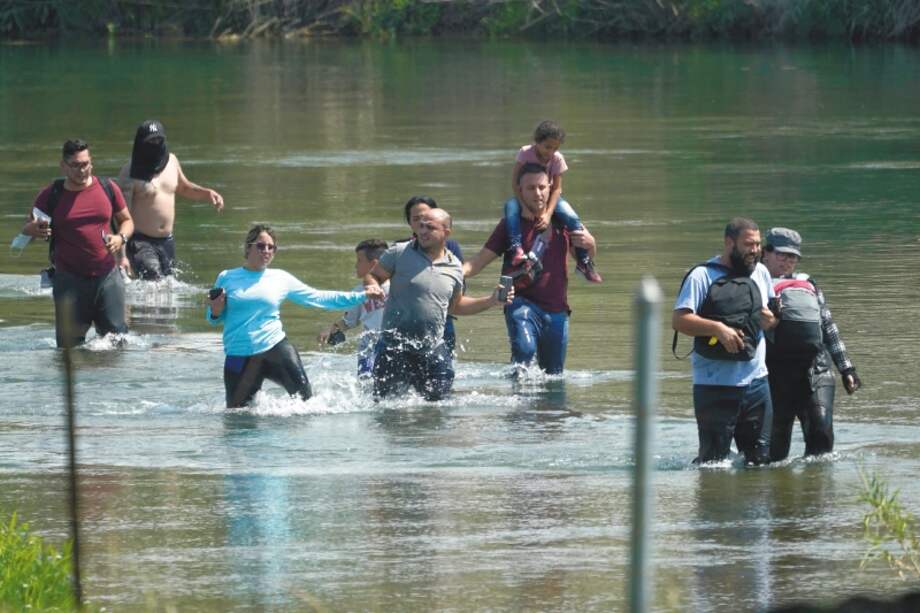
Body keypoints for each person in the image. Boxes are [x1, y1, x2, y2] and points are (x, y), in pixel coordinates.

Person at [207, 224, 385, 408]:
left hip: (275, 349)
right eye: (261, 246)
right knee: (236, 418)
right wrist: (215, 311)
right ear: (248, 247)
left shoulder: (281, 278)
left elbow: (318, 297)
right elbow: (213, 318)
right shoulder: (227, 277)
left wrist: (363, 295)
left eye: (271, 247)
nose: (266, 251)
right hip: (238, 354)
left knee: (308, 405)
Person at [462, 163, 599, 375]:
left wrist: (591, 244)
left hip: (557, 309)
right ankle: (518, 405)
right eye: (530, 188)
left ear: (550, 187)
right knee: (523, 355)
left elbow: (584, 259)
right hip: (520, 303)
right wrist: (447, 272)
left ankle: (548, 409)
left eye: (542, 187)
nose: (538, 193)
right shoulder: (509, 225)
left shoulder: (563, 221)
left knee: (554, 374)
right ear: (520, 190)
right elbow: (478, 262)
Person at [366, 208, 510, 401]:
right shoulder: (399, 252)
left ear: (446, 233)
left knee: (439, 408)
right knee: (386, 408)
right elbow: (373, 275)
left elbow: (455, 307)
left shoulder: (455, 267)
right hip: (394, 347)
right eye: (421, 226)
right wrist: (373, 286)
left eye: (430, 227)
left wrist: (491, 301)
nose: (423, 231)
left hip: (432, 349)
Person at [672, 218, 779, 465]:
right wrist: (718, 329)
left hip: (757, 384)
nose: (755, 250)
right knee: (713, 465)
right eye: (748, 244)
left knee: (760, 462)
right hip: (714, 386)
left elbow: (771, 321)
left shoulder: (761, 272)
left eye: (758, 244)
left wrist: (770, 320)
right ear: (729, 243)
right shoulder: (701, 275)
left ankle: (753, 503)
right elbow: (679, 320)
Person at [20, 139, 134, 348]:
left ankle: (113, 382)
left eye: (86, 164)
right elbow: (26, 229)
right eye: (76, 165)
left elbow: (127, 221)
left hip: (107, 277)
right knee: (68, 350)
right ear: (63, 165)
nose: (82, 170)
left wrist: (120, 238)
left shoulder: (108, 188)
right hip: (69, 282)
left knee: (119, 344)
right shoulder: (51, 194)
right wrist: (34, 230)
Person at [761, 227, 861, 461]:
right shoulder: (752, 283)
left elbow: (828, 326)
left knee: (822, 441)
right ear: (765, 252)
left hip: (816, 371)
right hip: (773, 376)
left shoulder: (808, 284)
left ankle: (816, 493)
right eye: (782, 255)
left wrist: (847, 368)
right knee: (774, 453)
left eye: (792, 257)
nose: (787, 262)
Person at [117, 120, 224, 280]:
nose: (154, 144)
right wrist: (122, 256)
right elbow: (121, 218)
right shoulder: (129, 173)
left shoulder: (171, 161)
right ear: (141, 143)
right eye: (150, 141)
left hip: (167, 241)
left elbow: (184, 188)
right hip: (140, 241)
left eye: (158, 140)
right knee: (154, 280)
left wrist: (207, 193)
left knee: (167, 287)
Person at [503, 120, 602, 283]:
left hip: (550, 197)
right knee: (510, 210)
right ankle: (516, 249)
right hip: (525, 196)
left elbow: (556, 189)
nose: (551, 152)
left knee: (572, 218)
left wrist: (548, 214)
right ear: (537, 142)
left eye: (555, 148)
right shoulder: (525, 153)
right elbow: (515, 183)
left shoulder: (557, 159)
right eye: (547, 147)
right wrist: (524, 207)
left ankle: (583, 262)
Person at [318, 238, 390, 378]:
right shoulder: (359, 292)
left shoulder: (398, 287)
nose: (355, 265)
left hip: (391, 348)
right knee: (366, 388)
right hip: (367, 351)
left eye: (359, 260)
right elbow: (348, 321)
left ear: (374, 264)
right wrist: (330, 330)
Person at [400, 195, 463, 351]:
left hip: (443, 319)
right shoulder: (399, 250)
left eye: (427, 219)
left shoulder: (451, 248)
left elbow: (459, 287)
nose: (422, 224)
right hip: (406, 323)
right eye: (416, 219)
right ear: (409, 223)